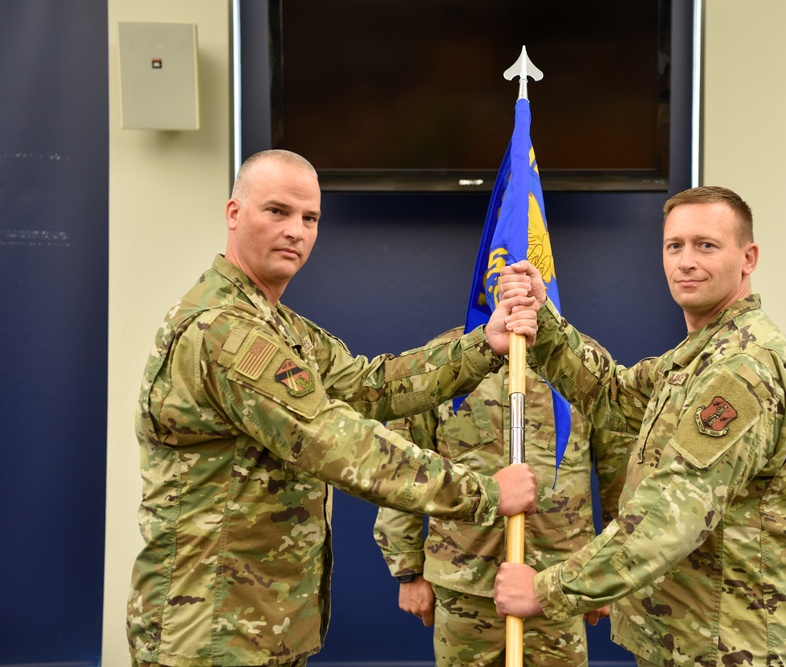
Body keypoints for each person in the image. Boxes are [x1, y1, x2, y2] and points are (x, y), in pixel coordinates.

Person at [127, 149, 540, 667]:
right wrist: (483, 491)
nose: (295, 231)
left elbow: (371, 387)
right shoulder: (224, 332)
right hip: (212, 633)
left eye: (310, 218)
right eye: (277, 211)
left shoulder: (279, 325)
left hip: (258, 624)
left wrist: (485, 343)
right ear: (234, 213)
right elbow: (333, 441)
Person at [493, 186, 786, 667]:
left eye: (706, 245)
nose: (685, 261)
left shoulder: (741, 369)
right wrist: (544, 323)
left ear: (748, 258)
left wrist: (547, 589)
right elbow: (614, 396)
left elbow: (672, 515)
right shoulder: (700, 354)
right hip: (683, 636)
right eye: (674, 246)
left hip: (722, 645)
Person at [373, 327, 634, 667]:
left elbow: (622, 475)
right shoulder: (443, 358)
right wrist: (406, 570)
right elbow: (404, 467)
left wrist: (605, 575)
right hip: (464, 581)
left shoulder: (580, 359)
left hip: (559, 582)